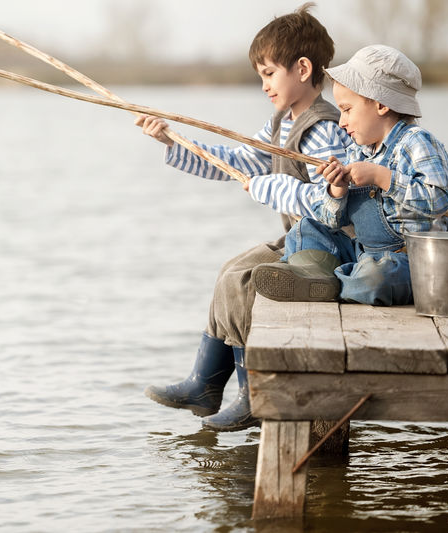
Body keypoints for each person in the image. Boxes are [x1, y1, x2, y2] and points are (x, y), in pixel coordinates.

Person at [135, 3, 352, 431]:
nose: (265, 85)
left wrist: (271, 187)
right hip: (302, 239)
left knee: (242, 283)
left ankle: (252, 394)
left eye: (270, 74)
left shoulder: (324, 129)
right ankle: (205, 383)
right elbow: (234, 162)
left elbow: (333, 203)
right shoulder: (279, 126)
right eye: (261, 77)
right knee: (230, 269)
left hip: (332, 245)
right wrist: (171, 142)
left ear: (303, 68)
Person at [251, 45, 448, 306]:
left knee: (375, 278)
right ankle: (328, 276)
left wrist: (383, 177)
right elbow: (334, 221)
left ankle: (326, 279)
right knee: (305, 229)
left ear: (381, 105)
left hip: (406, 258)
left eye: (347, 109)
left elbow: (438, 199)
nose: (341, 121)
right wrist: (337, 191)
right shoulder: (358, 151)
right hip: (362, 251)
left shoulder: (416, 142)